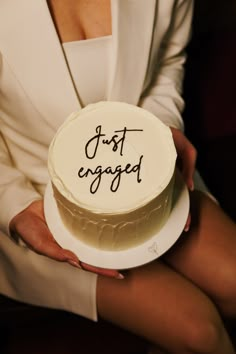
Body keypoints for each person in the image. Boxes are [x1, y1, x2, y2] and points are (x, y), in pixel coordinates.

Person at [0, 1, 236, 353]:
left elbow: (168, 64)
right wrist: (11, 206)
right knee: (200, 334)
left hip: (146, 176)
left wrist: (160, 133)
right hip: (35, 197)